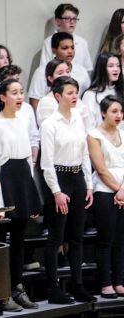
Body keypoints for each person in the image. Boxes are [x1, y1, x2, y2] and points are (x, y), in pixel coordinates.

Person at [0, 79, 40, 311]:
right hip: (5, 180)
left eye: (21, 92)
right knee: (2, 242)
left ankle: (17, 287)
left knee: (19, 240)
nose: (19, 97)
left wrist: (32, 192)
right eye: (14, 93)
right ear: (2, 96)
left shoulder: (23, 119)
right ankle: (1, 292)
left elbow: (27, 157)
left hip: (23, 178)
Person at [40, 76, 96, 304]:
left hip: (77, 178)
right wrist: (55, 191)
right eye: (69, 93)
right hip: (59, 179)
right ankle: (53, 288)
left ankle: (78, 284)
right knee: (56, 236)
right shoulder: (49, 124)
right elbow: (47, 163)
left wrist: (89, 184)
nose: (74, 97)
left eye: (76, 92)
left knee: (77, 236)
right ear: (57, 96)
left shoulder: (78, 119)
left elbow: (84, 153)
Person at [87, 95, 124, 299]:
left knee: (121, 239)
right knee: (106, 239)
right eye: (114, 111)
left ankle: (119, 281)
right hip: (104, 189)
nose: (118, 115)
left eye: (120, 111)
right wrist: (118, 190)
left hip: (123, 191)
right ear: (103, 113)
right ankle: (106, 283)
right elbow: (100, 168)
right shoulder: (94, 135)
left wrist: (123, 189)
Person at [29, 32, 90, 110]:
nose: (70, 51)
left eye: (72, 47)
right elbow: (35, 100)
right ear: (54, 50)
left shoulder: (81, 70)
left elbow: (85, 97)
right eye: (65, 48)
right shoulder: (41, 72)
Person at [36, 59, 92, 130]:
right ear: (50, 78)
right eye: (60, 73)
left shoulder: (76, 99)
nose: (66, 75)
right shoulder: (46, 102)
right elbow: (46, 129)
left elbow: (88, 125)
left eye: (67, 71)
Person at [40, 3, 93, 72]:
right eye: (68, 18)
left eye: (74, 19)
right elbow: (44, 69)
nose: (72, 22)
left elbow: (87, 69)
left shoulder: (82, 42)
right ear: (58, 21)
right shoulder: (49, 42)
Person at [82, 53, 124, 128]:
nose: (116, 69)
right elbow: (88, 126)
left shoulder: (120, 91)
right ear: (102, 69)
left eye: (118, 66)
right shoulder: (90, 94)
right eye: (111, 66)